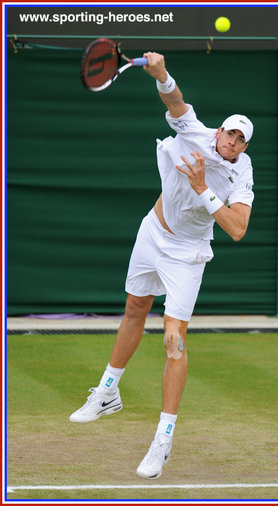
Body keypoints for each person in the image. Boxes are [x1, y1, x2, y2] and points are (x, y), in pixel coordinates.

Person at [69, 52, 254, 480]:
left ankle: (163, 439)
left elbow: (238, 229)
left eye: (238, 139)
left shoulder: (241, 176)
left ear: (244, 146)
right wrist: (161, 72)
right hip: (152, 232)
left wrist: (203, 188)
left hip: (187, 255)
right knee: (135, 306)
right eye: (228, 133)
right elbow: (175, 101)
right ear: (220, 131)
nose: (229, 141)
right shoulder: (197, 133)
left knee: (174, 340)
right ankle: (107, 393)